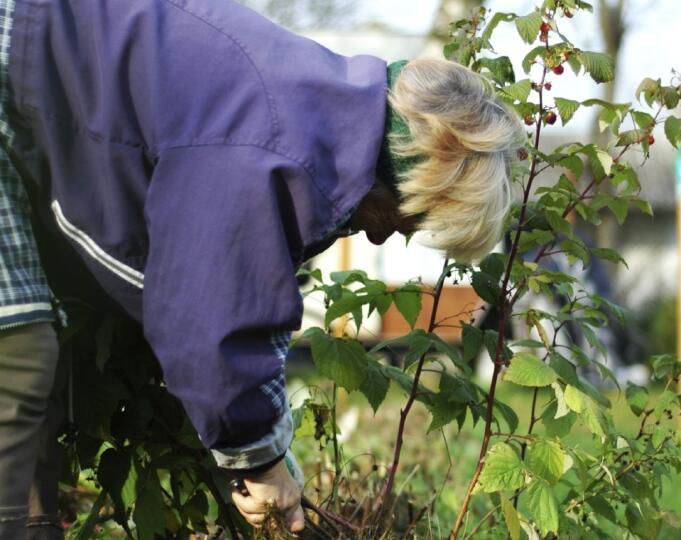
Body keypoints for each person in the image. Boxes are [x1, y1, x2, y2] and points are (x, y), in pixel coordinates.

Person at [0, 0, 524, 536]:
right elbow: (207, 322)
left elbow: (230, 298)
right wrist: (262, 462)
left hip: (32, 88)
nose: (384, 234)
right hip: (10, 55)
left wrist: (267, 449)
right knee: (15, 353)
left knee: (36, 360)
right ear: (409, 170)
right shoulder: (272, 144)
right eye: (409, 218)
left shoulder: (318, 118)